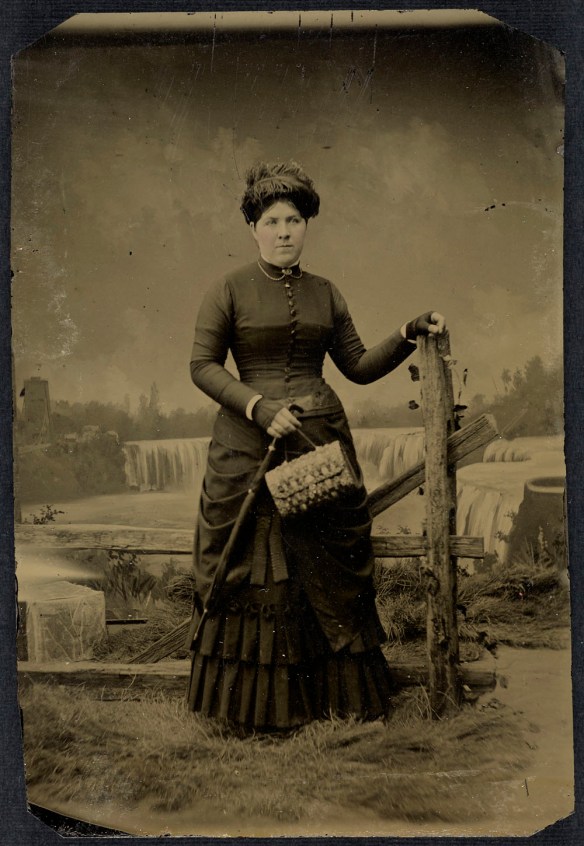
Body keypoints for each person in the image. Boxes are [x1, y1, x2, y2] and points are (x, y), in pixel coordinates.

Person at [186, 161, 446, 732]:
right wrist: (258, 407)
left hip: (319, 445)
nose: (284, 231)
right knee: (261, 572)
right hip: (247, 448)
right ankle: (256, 714)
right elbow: (201, 366)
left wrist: (406, 332)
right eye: (272, 220)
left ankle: (334, 704)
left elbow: (355, 367)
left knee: (322, 572)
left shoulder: (327, 293)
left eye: (295, 220)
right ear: (253, 226)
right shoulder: (227, 289)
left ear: (307, 225)